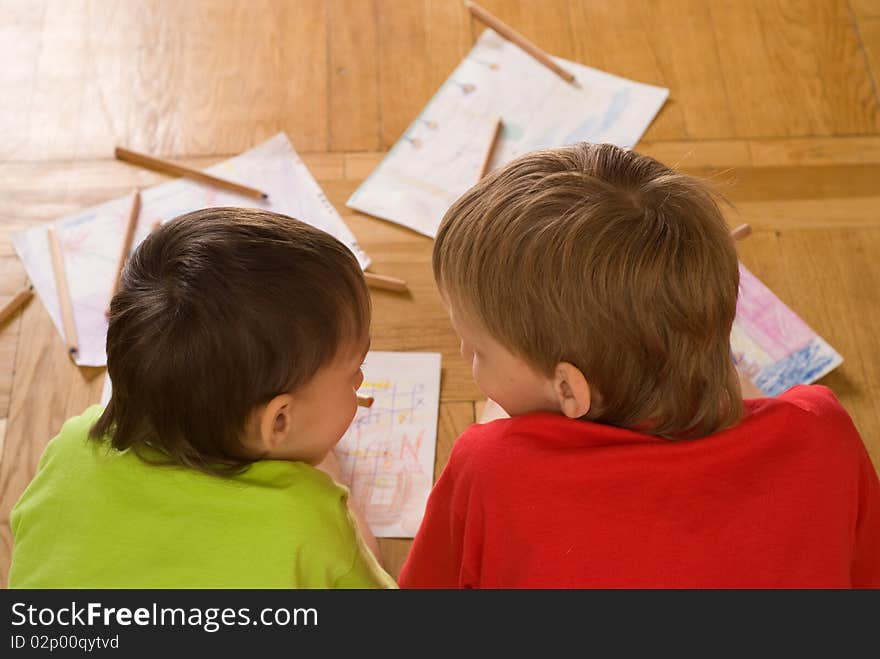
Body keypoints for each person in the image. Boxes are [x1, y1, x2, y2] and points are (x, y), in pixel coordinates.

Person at [399, 143, 880, 588]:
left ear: (570, 391)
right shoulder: (822, 430)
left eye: (477, 350)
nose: (465, 358)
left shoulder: (489, 469)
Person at [9, 208, 394, 588]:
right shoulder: (309, 521)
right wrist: (339, 497)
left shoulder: (72, 445)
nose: (360, 379)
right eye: (352, 371)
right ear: (278, 421)